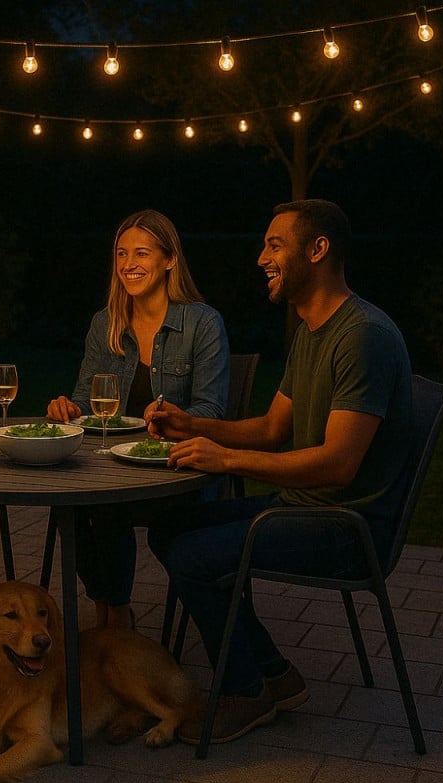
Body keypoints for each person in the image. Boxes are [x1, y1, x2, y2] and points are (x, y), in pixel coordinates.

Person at [146, 199, 413, 745]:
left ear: (318, 250)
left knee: (193, 557)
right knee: (171, 527)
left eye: (275, 245)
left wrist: (227, 460)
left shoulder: (363, 335)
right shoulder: (310, 331)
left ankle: (247, 692)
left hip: (348, 526)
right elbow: (272, 429)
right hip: (307, 508)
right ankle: (273, 672)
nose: (261, 257)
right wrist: (191, 424)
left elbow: (339, 464)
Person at [47, 209, 230, 629]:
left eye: (142, 253)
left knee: (106, 508)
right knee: (65, 505)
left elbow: (211, 411)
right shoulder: (105, 323)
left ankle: (112, 623)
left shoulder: (202, 323)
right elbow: (84, 403)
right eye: (121, 253)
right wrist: (67, 410)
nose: (129, 263)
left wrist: (172, 417)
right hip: (113, 466)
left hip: (176, 470)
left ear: (169, 260)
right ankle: (111, 612)